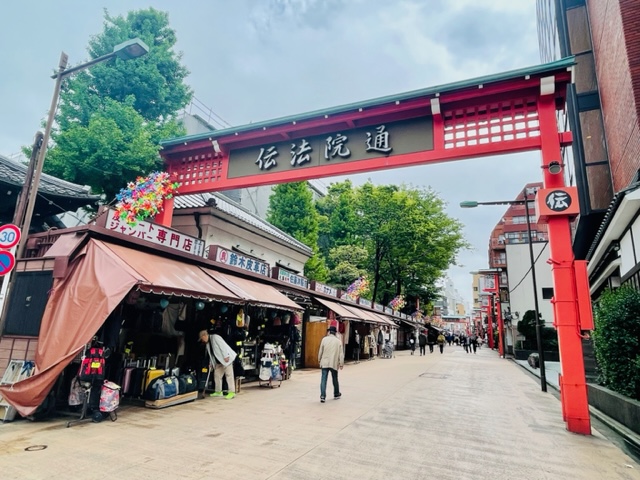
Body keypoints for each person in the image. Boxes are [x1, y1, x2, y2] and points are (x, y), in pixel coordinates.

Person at [199, 329, 237, 399]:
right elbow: (211, 355)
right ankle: (218, 391)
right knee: (217, 375)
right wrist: (211, 363)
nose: (202, 341)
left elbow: (223, 346)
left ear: (204, 336)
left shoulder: (215, 337)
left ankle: (232, 392)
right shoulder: (208, 344)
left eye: (202, 339)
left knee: (229, 375)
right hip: (218, 361)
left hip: (226, 359)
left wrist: (226, 356)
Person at [318, 325, 344, 403]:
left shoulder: (324, 339)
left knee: (323, 379)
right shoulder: (338, 341)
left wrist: (319, 359)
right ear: (335, 333)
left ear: (329, 332)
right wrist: (341, 363)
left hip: (324, 362)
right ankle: (336, 394)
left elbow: (320, 351)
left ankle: (323, 396)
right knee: (335, 378)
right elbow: (341, 354)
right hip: (334, 362)